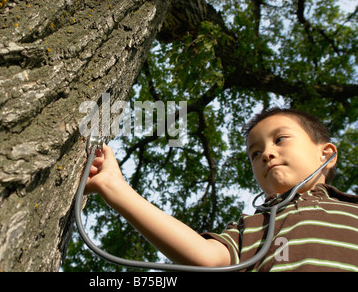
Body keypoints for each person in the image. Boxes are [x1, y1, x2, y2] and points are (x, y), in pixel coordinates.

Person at [84, 107, 358, 271]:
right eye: (255, 153)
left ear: (327, 154)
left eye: (280, 139)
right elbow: (206, 257)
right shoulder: (254, 226)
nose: (266, 154)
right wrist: (112, 185)